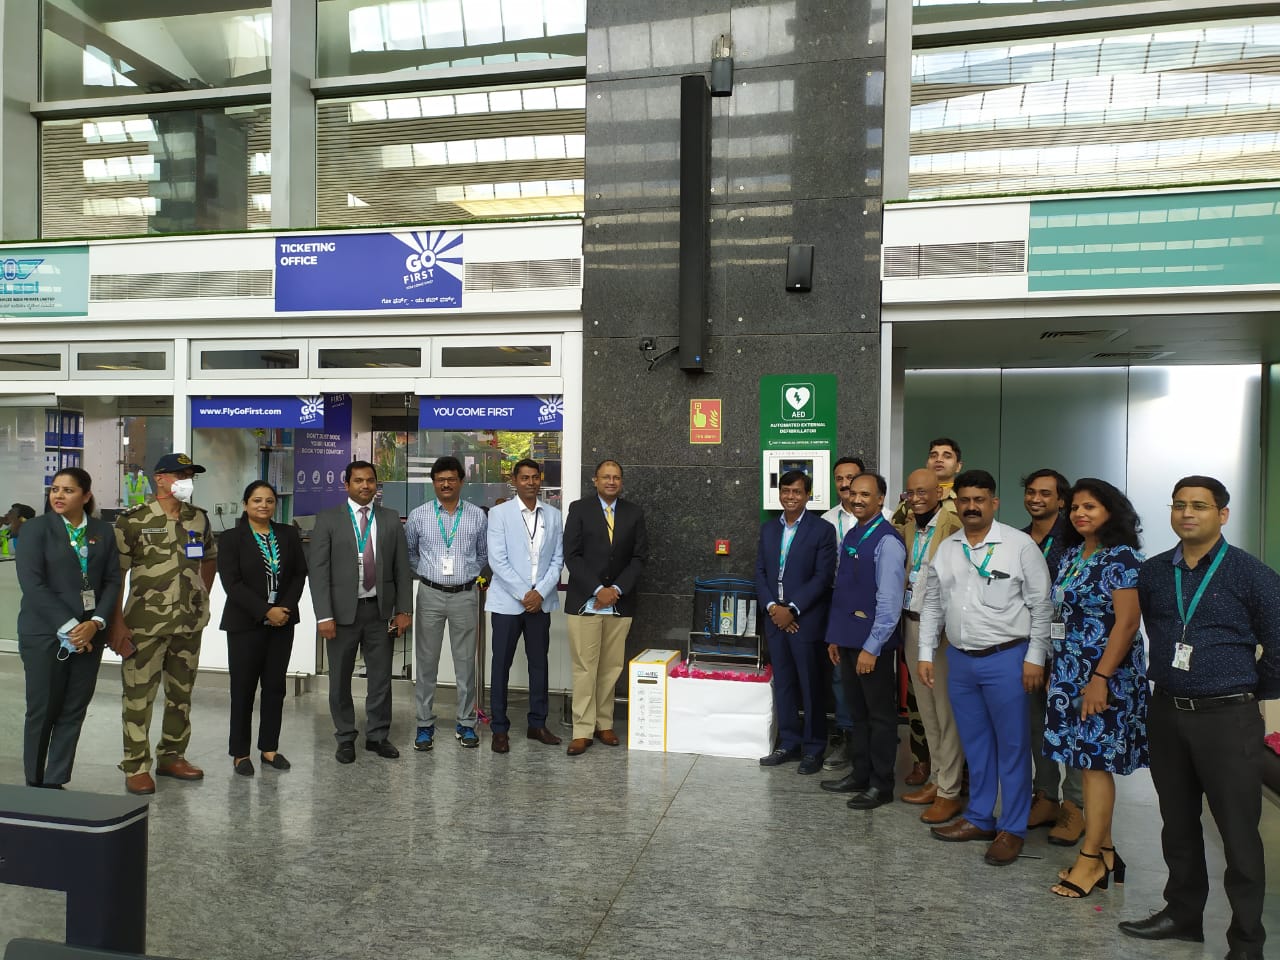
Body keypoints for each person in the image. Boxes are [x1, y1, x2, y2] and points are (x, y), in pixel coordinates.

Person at [1119, 476, 1279, 960]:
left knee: (1237, 832)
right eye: (1180, 505)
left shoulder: (1252, 574)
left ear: (1222, 514)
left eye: (1200, 506)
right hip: (1166, 710)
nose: (1188, 514)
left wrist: (1250, 691)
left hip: (1227, 718)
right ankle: (1183, 915)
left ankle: (1247, 941)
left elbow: (1278, 644)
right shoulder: (1152, 573)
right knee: (1178, 822)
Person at [917, 469, 1052, 866]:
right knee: (975, 745)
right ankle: (978, 817)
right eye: (965, 500)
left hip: (1008, 658)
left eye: (980, 499)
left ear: (994, 503)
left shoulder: (1019, 545)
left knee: (1012, 747)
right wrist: (926, 652)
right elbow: (932, 605)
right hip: (960, 660)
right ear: (956, 504)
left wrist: (1035, 658)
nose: (972, 506)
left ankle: (1012, 828)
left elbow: (1042, 607)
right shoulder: (948, 548)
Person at [1043, 479, 1148, 898]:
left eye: (1091, 506)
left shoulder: (1123, 558)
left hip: (1106, 676)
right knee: (1083, 762)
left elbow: (1127, 624)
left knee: (1094, 764)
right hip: (1070, 672)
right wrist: (1059, 667)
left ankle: (1089, 860)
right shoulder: (1073, 554)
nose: (1080, 513)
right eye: (1075, 507)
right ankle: (1105, 852)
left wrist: (1100, 678)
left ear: (1112, 511)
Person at [107, 453, 218, 795]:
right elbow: (116, 576)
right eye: (179, 474)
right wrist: (116, 623)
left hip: (188, 624)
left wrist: (201, 596)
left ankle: (172, 755)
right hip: (144, 625)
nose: (186, 480)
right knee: (139, 696)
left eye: (190, 475)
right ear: (160, 479)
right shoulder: (133, 520)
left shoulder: (198, 519)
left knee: (180, 696)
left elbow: (210, 560)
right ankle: (136, 765)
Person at [16, 469, 120, 788]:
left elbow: (112, 580)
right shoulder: (36, 529)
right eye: (54, 489)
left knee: (74, 708)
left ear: (86, 496)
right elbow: (32, 584)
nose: (58, 496)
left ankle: (55, 779)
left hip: (91, 634)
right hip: (45, 633)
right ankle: (34, 781)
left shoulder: (102, 531)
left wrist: (97, 622)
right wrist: (74, 627)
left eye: (68, 490)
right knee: (42, 708)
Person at [309, 460, 413, 764]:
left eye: (370, 481)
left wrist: (403, 609)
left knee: (380, 678)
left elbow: (401, 569)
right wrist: (323, 615)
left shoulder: (391, 519)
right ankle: (345, 737)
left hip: (379, 613)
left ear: (376, 485)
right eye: (358, 481)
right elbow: (318, 571)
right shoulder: (329, 519)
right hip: (341, 615)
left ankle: (378, 735)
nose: (365, 486)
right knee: (339, 678)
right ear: (347, 485)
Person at [819, 472, 905, 808]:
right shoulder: (854, 533)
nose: (857, 499)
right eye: (853, 493)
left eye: (865, 495)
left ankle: (881, 785)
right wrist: (835, 637)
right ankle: (860, 773)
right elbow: (845, 591)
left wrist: (872, 647)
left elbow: (888, 602)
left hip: (873, 647)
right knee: (857, 714)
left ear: (881, 499)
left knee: (880, 717)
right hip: (849, 641)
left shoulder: (887, 541)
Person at [216, 480, 309, 777]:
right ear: (245, 504)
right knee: (242, 690)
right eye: (257, 500)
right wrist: (264, 610)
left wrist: (284, 610)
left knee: (275, 688)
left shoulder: (288, 534)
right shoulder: (232, 538)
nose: (264, 506)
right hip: (245, 624)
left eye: (269, 501)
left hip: (282, 623)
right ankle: (240, 753)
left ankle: (269, 748)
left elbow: (298, 574)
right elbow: (232, 583)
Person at [563, 459, 648, 756]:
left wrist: (616, 590)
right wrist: (598, 590)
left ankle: (604, 723)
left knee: (611, 666)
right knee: (585, 667)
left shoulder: (633, 513)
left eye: (616, 477)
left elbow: (639, 558)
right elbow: (571, 556)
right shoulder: (579, 509)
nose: (611, 481)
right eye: (605, 477)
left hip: (619, 603)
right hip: (585, 602)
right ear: (595, 480)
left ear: (621, 482)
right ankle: (582, 729)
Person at [894, 467, 965, 825]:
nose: (917, 497)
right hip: (912, 622)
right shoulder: (906, 526)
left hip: (942, 630)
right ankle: (937, 779)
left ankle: (950, 789)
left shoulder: (952, 526)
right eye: (910, 493)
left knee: (945, 710)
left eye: (923, 491)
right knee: (926, 709)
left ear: (939, 492)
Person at [405, 455, 488, 752]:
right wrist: (431, 573)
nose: (446, 484)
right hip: (430, 594)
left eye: (451, 479)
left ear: (462, 481)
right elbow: (410, 553)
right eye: (440, 480)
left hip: (466, 594)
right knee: (426, 663)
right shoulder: (419, 515)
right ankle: (424, 725)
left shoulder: (477, 515)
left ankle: (466, 723)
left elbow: (482, 555)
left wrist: (467, 574)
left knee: (466, 663)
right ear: (433, 483)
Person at [755, 470, 836, 774]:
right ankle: (788, 742)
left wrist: (793, 608)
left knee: (810, 685)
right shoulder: (768, 529)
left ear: (808, 495)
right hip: (775, 620)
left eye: (797, 492)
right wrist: (774, 608)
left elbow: (822, 577)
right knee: (785, 684)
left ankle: (814, 747)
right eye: (786, 491)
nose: (790, 496)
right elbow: (760, 572)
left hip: (805, 622)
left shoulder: (822, 530)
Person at [1021, 468, 1085, 846]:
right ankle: (1045, 795)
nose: (1036, 499)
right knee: (1036, 723)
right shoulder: (1016, 538)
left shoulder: (1077, 539)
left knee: (1073, 726)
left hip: (1072, 649)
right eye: (1031, 492)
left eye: (1046, 493)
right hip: (1029, 645)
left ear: (1062, 500)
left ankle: (1074, 805)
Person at [486, 458, 564, 754]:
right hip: (508, 603)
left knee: (538, 665)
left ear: (539, 480)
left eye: (535, 478)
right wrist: (524, 593)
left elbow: (558, 559)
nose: (531, 482)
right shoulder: (499, 514)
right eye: (525, 478)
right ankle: (499, 729)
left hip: (539, 605)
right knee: (500, 666)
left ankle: (537, 724)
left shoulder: (554, 516)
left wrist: (540, 592)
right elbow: (498, 560)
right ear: (515, 481)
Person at [819, 456, 864, 771]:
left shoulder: (886, 518)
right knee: (838, 670)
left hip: (870, 605)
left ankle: (870, 733)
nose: (846, 484)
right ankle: (846, 734)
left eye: (852, 477)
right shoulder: (825, 520)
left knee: (873, 671)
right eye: (840, 478)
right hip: (834, 601)